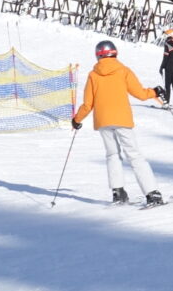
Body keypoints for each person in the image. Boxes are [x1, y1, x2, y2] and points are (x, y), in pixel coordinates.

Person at [71, 38, 166, 205]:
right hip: (122, 119)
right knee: (134, 154)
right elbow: (140, 94)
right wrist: (155, 92)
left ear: (98, 55)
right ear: (115, 53)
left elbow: (87, 104)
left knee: (112, 154)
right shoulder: (123, 71)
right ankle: (152, 193)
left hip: (103, 121)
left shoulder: (93, 75)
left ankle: (118, 192)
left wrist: (77, 120)